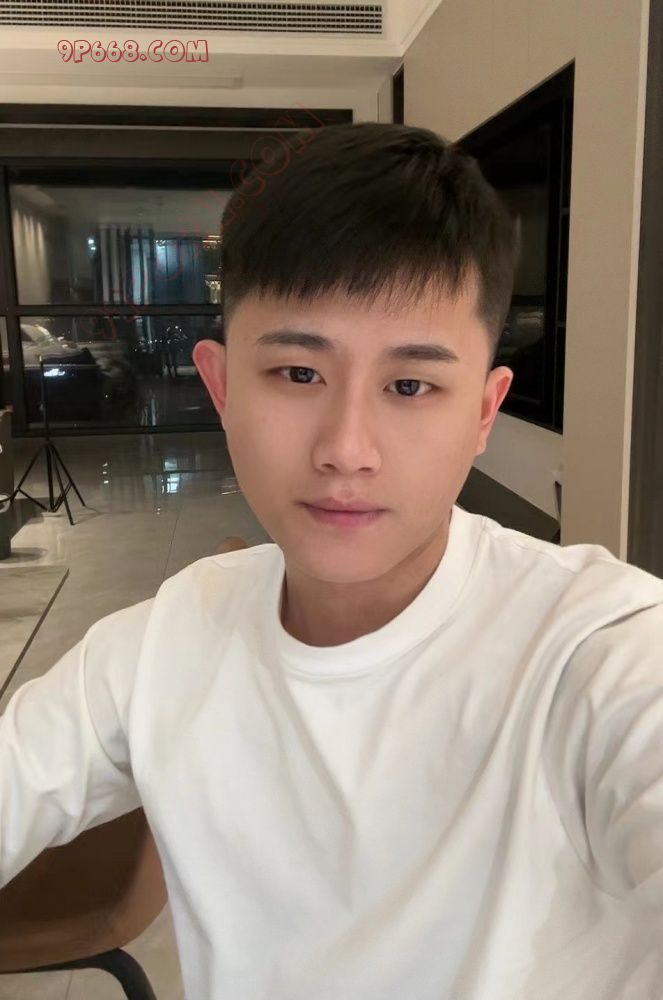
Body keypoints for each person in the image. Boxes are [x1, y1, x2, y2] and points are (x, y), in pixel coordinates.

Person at [2, 122, 663, 1000]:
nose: (346, 450)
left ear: (482, 412)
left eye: (409, 385)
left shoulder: (596, 647)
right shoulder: (164, 641)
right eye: (298, 374)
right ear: (222, 386)